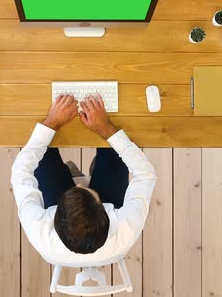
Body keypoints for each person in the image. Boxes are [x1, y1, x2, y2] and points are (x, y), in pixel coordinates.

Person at [10, 94, 157, 267]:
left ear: (56, 213)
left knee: (42, 155)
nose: (80, 184)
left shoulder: (39, 227)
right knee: (113, 153)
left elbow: (21, 172)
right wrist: (106, 128)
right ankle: (96, 165)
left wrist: (52, 123)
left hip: (59, 237)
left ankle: (74, 171)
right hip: (112, 245)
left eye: (77, 188)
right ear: (105, 209)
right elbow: (145, 173)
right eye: (87, 190)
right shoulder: (125, 227)